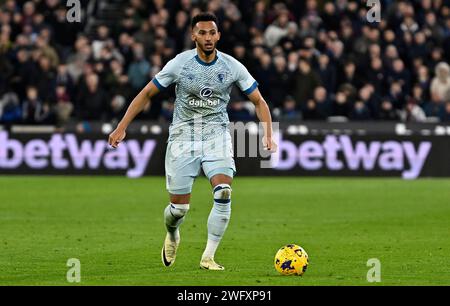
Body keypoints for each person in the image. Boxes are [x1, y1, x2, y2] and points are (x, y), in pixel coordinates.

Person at [108, 13, 277, 270]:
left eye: (212, 33)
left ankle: (208, 256)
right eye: (202, 33)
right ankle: (173, 234)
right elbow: (147, 93)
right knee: (179, 210)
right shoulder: (180, 64)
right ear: (193, 36)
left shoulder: (232, 66)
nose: (208, 38)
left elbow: (259, 101)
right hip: (182, 137)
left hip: (216, 135)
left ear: (218, 35)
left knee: (224, 192)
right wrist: (122, 127)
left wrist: (268, 133)